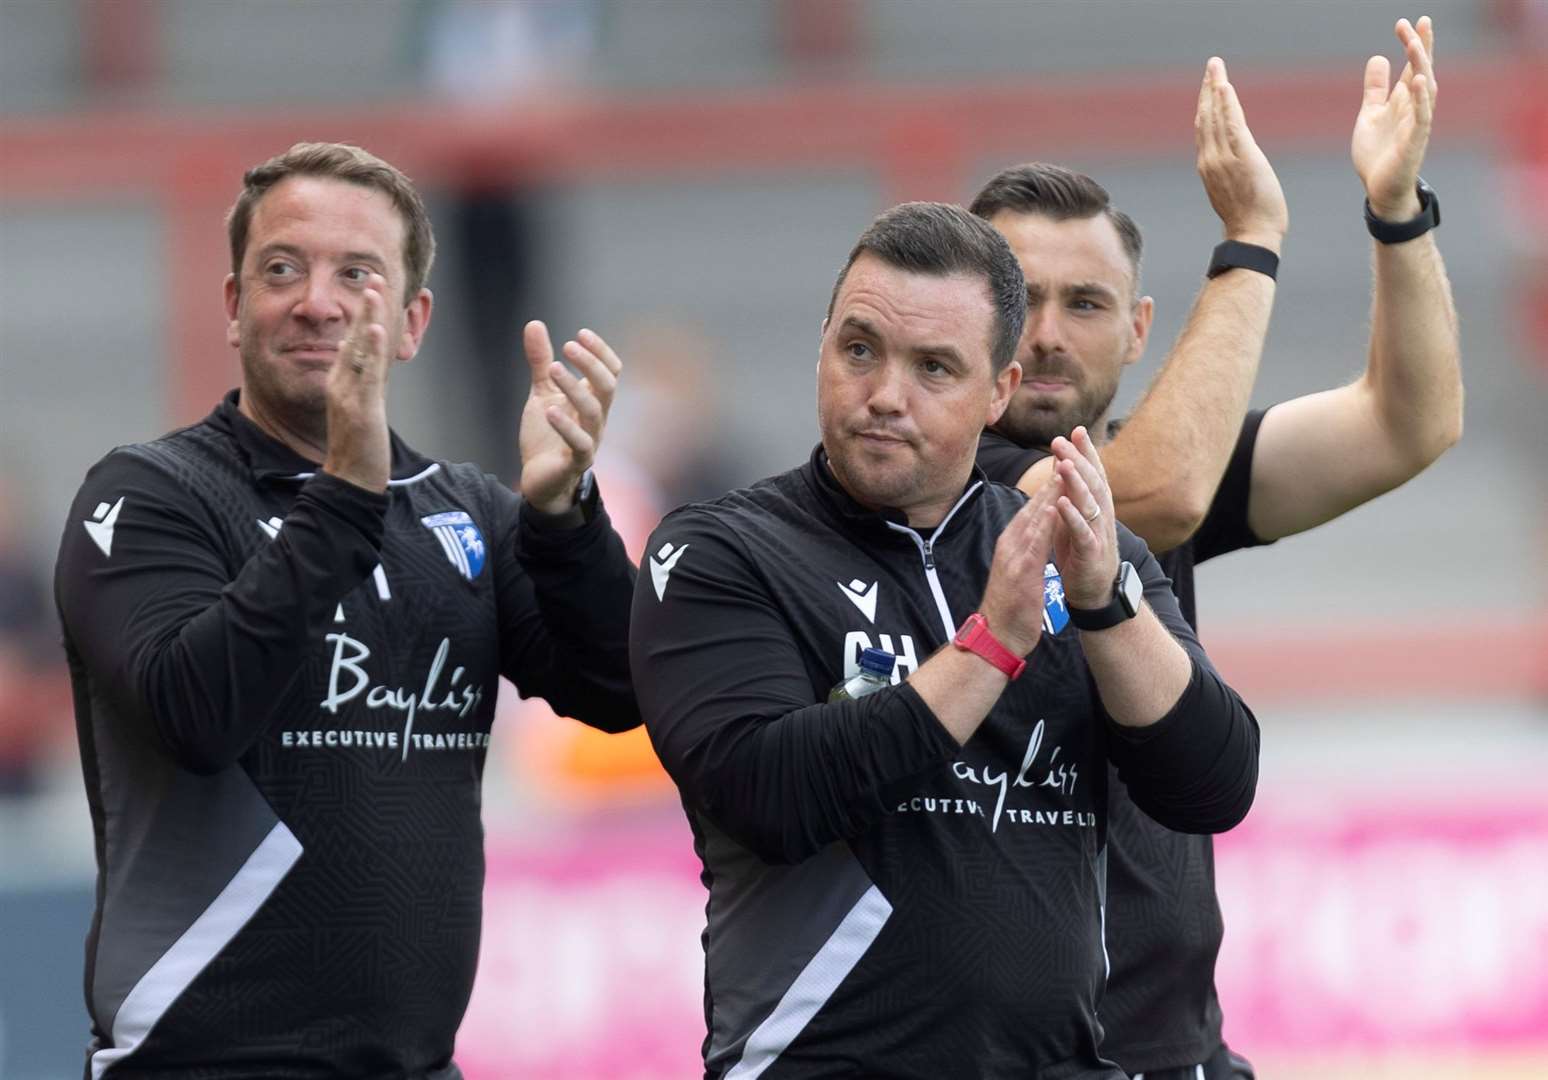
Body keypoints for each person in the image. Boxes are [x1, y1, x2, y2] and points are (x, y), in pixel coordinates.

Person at [629, 201, 1260, 1078]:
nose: (885, 394)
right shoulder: (721, 550)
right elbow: (766, 795)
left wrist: (1107, 606)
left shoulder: (1078, 547)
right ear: (822, 348)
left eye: (933, 367)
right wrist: (992, 648)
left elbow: (1214, 785)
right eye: (860, 350)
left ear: (999, 390)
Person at [53, 142, 640, 1077]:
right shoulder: (149, 496)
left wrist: (563, 515)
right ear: (235, 305)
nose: (316, 301)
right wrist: (348, 496)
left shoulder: (469, 511)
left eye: (355, 275)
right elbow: (195, 715)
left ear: (412, 323)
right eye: (281, 269)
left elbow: (618, 691)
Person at [969, 18, 1460, 1080]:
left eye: (1085, 303)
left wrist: (1394, 212)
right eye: (1021, 297)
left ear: (1139, 329)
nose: (1048, 330)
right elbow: (1154, 494)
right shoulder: (938, 491)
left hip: (1181, 1054)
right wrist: (1251, 240)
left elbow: (1407, 424)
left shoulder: (1146, 473)